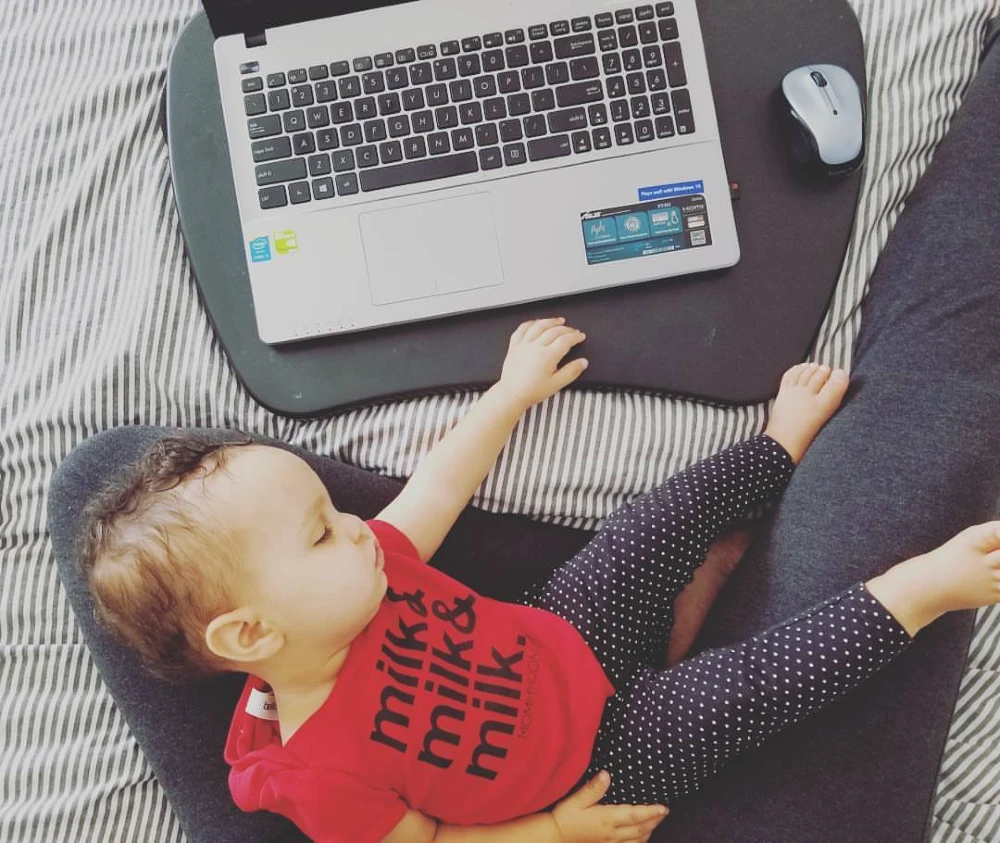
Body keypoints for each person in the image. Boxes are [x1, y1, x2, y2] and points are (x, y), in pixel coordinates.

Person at [72, 315, 1000, 843]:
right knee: (745, 691)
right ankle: (919, 591)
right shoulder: (316, 776)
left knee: (649, 528)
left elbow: (437, 482)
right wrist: (554, 833)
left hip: (560, 632)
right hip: (595, 763)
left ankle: (774, 451)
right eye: (321, 533)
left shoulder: (372, 563)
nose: (358, 527)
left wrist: (507, 396)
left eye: (335, 511)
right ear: (249, 634)